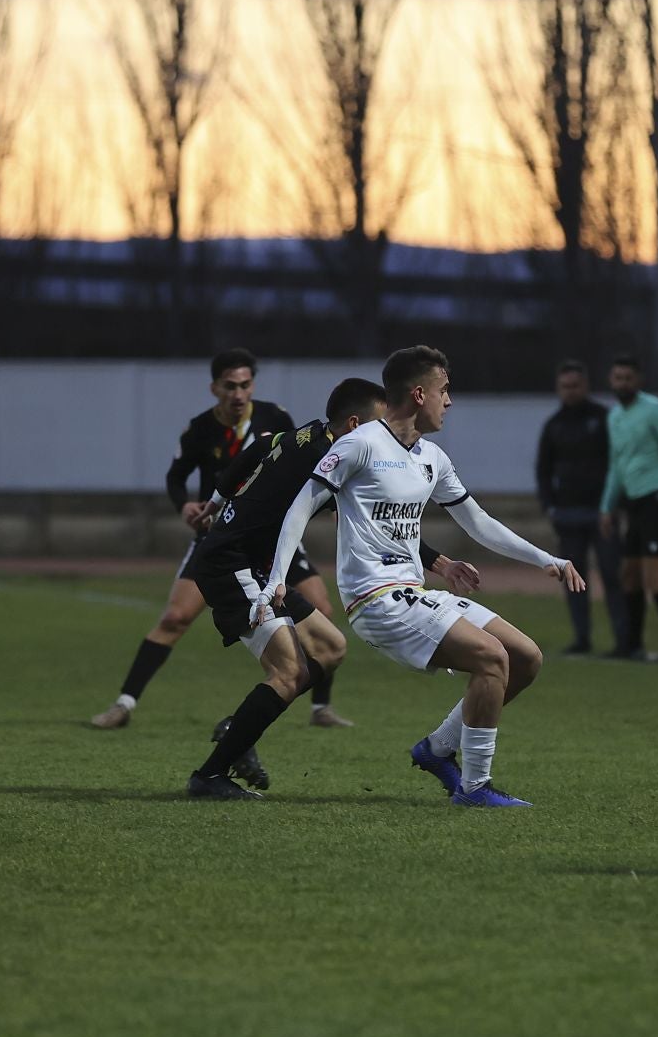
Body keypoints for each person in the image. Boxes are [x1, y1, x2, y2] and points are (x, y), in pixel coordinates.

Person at [264, 345, 586, 807]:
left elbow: (478, 522)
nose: (449, 401)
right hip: (375, 600)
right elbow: (302, 504)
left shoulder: (432, 456)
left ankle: (436, 750)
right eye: (444, 390)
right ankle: (474, 788)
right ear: (419, 394)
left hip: (413, 592)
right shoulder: (360, 443)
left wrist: (546, 560)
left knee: (526, 658)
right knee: (492, 659)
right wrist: (279, 577)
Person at [184, 377, 481, 799]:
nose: (386, 434)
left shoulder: (304, 435)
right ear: (355, 423)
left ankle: (238, 731)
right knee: (289, 672)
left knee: (330, 646)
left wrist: (215, 501)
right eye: (379, 425)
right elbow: (375, 517)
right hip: (234, 566)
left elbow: (258, 446)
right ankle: (210, 774)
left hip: (258, 564)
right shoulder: (336, 457)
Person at [89, 349, 353, 733]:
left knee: (322, 610)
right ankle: (123, 704)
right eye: (230, 386)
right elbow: (176, 476)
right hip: (221, 538)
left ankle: (320, 707)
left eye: (245, 385)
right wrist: (185, 506)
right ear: (215, 388)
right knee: (175, 617)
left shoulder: (274, 417)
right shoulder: (200, 429)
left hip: (276, 539)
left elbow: (300, 462)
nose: (238, 393)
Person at [597, 356, 658, 664]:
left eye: (628, 378)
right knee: (629, 574)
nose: (622, 383)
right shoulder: (614, 417)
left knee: (656, 576)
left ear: (638, 380)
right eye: (617, 377)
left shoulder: (654, 410)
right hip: (632, 504)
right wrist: (607, 507)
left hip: (656, 497)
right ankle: (633, 644)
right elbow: (616, 465)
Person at [535, 359, 626, 653]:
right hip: (568, 515)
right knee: (574, 579)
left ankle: (624, 641)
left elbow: (618, 463)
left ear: (585, 385)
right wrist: (549, 506)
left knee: (613, 575)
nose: (570, 391)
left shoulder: (604, 419)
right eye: (565, 386)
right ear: (558, 388)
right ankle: (582, 639)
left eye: (575, 385)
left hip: (602, 513)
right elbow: (543, 470)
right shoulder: (554, 425)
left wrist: (614, 505)